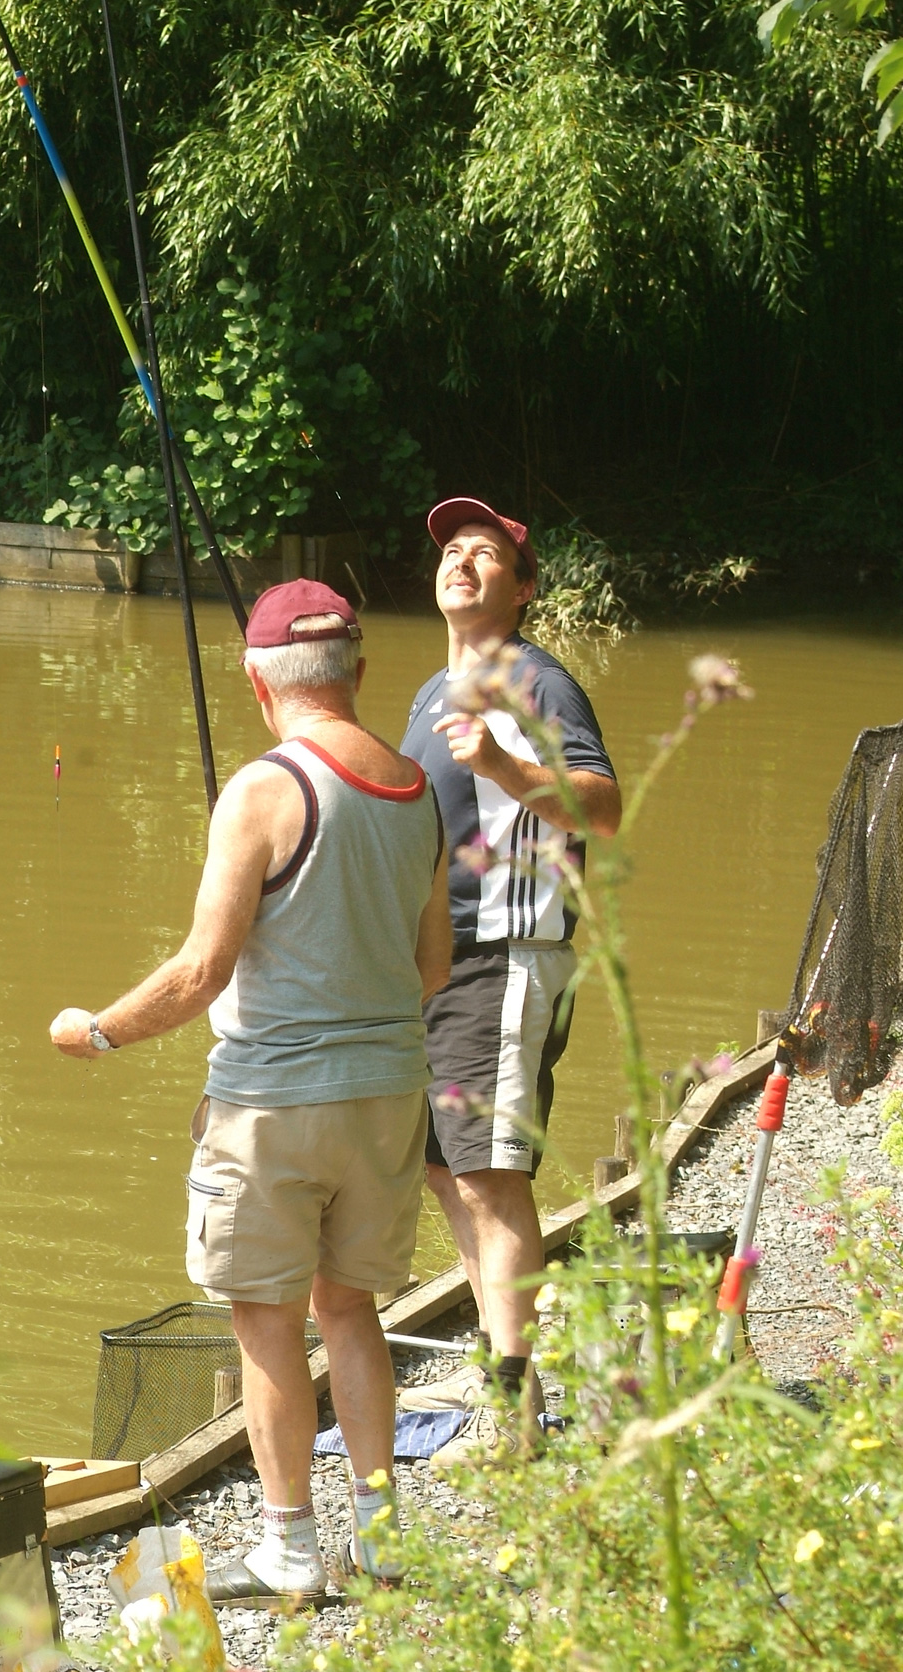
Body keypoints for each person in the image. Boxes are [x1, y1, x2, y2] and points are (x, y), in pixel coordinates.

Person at [49, 578, 451, 1600]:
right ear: (358, 673)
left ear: (253, 680)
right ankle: (384, 1538)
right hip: (389, 1098)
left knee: (267, 1321)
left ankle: (286, 1547)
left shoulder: (262, 792)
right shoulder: (416, 787)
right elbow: (433, 967)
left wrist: (93, 1031)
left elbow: (197, 974)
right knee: (349, 1309)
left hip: (274, 1105)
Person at [398, 498, 621, 1464]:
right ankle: (501, 1364)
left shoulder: (535, 679)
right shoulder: (425, 690)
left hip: (503, 954)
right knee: (448, 1170)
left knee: (489, 1179)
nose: (462, 562)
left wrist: (499, 760)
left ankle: (514, 1413)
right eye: (452, 550)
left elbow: (604, 807)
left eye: (485, 554)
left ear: (521, 589)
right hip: (437, 962)